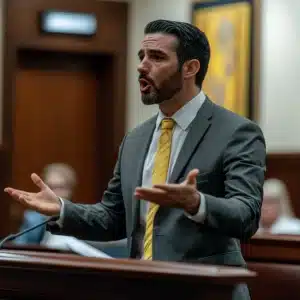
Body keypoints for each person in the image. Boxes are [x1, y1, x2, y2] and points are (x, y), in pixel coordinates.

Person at [4, 20, 266, 300]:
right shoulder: (136, 138)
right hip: (142, 289)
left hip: (207, 292)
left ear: (190, 68)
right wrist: (62, 209)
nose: (142, 66)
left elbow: (246, 215)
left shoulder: (236, 132)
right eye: (142, 56)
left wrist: (196, 203)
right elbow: (113, 217)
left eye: (157, 57)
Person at [14, 163, 77, 245]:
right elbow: (19, 247)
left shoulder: (81, 219)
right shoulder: (32, 219)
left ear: (70, 190)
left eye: (60, 187)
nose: (55, 193)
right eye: (50, 187)